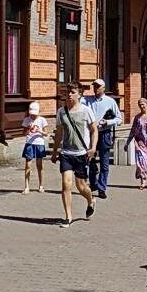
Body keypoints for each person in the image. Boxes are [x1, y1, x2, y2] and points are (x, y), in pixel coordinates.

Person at [51, 83, 97, 228]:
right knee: (66, 184)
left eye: (72, 92)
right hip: (66, 153)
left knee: (81, 186)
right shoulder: (61, 112)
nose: (69, 95)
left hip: (81, 153)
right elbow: (58, 133)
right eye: (67, 92)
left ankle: (91, 200)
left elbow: (94, 130)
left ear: (79, 95)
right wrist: (54, 152)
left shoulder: (86, 111)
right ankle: (68, 217)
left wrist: (93, 148)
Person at [82, 78, 123, 199]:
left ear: (103, 88)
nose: (95, 88)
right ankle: (93, 183)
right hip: (90, 134)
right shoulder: (87, 100)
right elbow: (78, 102)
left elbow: (119, 119)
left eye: (98, 86)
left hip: (104, 133)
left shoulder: (110, 101)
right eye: (94, 86)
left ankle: (102, 188)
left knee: (104, 163)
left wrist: (108, 122)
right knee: (90, 160)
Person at [21, 102, 48, 194]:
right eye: (31, 114)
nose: (33, 116)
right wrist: (28, 129)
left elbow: (46, 133)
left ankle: (41, 185)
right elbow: (23, 133)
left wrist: (40, 131)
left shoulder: (42, 120)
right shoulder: (26, 120)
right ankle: (27, 186)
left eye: (34, 114)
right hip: (29, 143)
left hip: (39, 144)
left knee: (39, 166)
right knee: (28, 166)